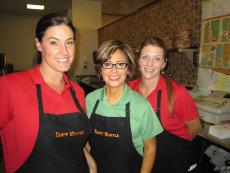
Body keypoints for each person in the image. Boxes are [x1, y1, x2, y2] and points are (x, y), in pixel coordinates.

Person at [0, 13, 96, 173]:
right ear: (38, 44)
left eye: (69, 42)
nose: (64, 51)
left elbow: (74, 142)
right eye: (54, 42)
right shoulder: (10, 86)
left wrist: (91, 164)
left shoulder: (77, 92)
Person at [86, 40, 163, 173]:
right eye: (107, 64)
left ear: (128, 69)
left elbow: (150, 148)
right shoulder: (90, 100)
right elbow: (85, 141)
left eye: (120, 64)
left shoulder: (141, 105)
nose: (114, 70)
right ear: (100, 69)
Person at [128, 37, 202, 173]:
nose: (150, 63)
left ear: (164, 64)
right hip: (143, 160)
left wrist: (174, 149)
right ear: (138, 61)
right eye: (145, 57)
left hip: (174, 162)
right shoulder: (129, 90)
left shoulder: (177, 93)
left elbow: (195, 128)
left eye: (157, 58)